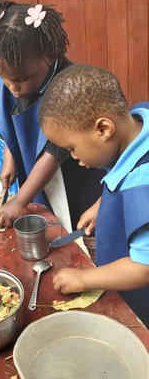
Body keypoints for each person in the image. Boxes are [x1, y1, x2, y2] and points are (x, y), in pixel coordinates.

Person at [39, 64, 149, 327]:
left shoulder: (143, 185)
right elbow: (125, 172)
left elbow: (143, 267)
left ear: (103, 129)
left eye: (72, 148)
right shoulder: (140, 119)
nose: (74, 158)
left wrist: (84, 279)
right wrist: (103, 204)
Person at [0, 0, 105, 230]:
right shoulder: (14, 71)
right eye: (4, 79)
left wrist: (19, 201)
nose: (12, 88)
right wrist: (10, 157)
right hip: (40, 168)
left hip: (75, 170)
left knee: (76, 223)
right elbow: (14, 116)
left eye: (18, 81)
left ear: (49, 56)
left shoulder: (70, 89)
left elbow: (53, 155)